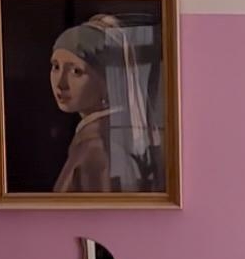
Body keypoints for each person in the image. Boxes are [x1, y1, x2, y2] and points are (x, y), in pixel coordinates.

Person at [49, 14, 163, 194]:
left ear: (108, 80)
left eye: (76, 71)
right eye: (55, 66)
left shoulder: (94, 147)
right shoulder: (113, 133)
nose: (61, 83)